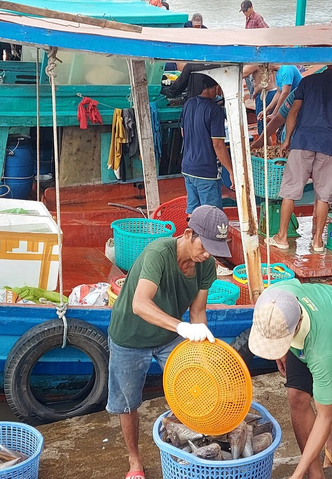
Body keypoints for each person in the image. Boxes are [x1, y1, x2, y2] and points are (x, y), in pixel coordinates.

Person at [106, 205, 231, 479]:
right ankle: (134, 459)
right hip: (130, 335)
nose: (208, 254)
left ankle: (191, 447)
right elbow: (140, 304)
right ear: (188, 234)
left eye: (214, 248)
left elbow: (198, 312)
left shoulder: (205, 265)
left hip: (167, 335)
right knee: (127, 403)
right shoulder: (158, 254)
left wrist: (203, 352)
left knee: (193, 388)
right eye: (205, 245)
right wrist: (181, 327)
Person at [248, 279, 332, 479]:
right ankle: (316, 473)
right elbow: (273, 321)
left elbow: (325, 416)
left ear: (295, 326)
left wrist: (295, 475)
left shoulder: (323, 350)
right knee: (296, 396)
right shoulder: (273, 299)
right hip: (314, 320)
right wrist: (280, 349)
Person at [266, 65, 332, 253]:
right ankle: (317, 242)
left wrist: (288, 139)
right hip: (326, 146)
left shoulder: (308, 82)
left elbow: (293, 113)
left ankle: (281, 238)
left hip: (303, 141)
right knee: (323, 196)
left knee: (290, 192)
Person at [180, 75, 234, 216]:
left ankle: (191, 236)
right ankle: (208, 238)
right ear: (217, 86)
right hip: (206, 172)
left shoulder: (188, 104)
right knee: (211, 216)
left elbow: (183, 133)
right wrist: (231, 171)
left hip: (187, 168)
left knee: (193, 212)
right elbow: (218, 145)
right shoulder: (215, 110)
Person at [251, 64, 303, 147]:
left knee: (284, 136)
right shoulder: (278, 74)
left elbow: (285, 92)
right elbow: (279, 93)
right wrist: (267, 110)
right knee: (279, 137)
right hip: (289, 104)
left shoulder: (287, 69)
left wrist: (275, 113)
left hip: (298, 106)